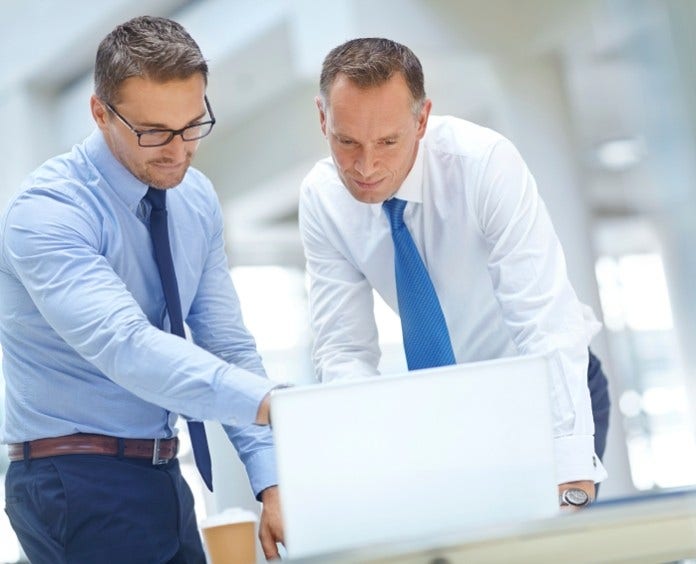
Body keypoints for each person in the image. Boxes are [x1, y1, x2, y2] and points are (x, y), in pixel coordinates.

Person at [1, 16, 284, 562]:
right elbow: (127, 347)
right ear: (100, 112)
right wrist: (270, 404)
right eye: (154, 132)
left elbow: (226, 343)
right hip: (73, 477)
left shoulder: (194, 199)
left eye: (192, 126)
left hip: (158, 471)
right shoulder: (47, 212)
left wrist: (270, 478)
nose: (178, 151)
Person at [299, 37, 610, 508]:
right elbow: (344, 350)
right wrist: (358, 467)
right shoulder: (323, 198)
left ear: (421, 120)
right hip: (448, 415)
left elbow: (544, 324)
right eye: (346, 141)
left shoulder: (483, 163)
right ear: (323, 118)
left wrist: (569, 470)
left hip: (546, 392)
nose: (366, 166)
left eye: (387, 141)